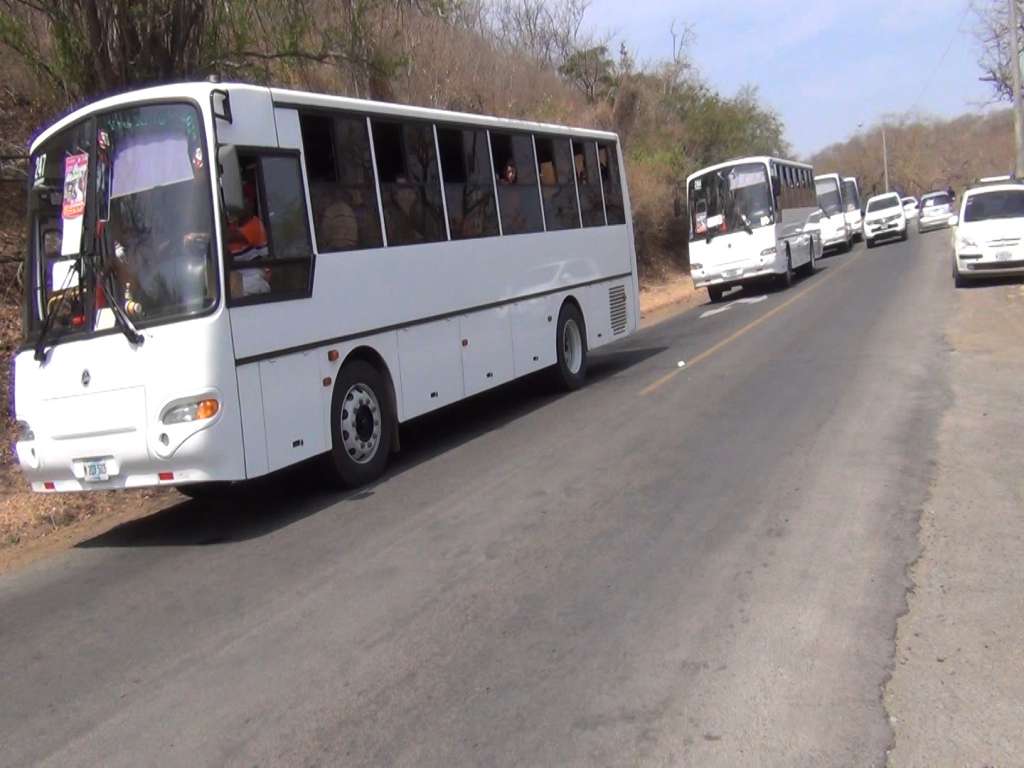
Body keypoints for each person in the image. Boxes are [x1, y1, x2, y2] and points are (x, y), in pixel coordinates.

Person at [227, 179, 271, 298]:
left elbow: (228, 238)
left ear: (251, 203)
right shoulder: (233, 224)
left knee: (228, 291)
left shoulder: (255, 224)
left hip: (258, 277)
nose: (238, 205)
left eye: (243, 200)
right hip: (241, 274)